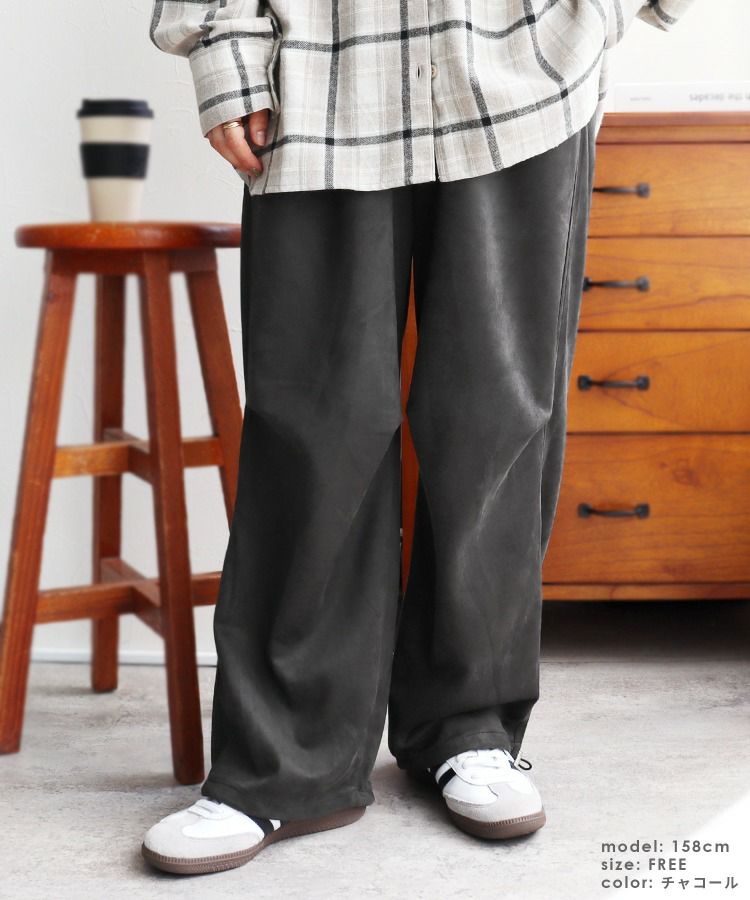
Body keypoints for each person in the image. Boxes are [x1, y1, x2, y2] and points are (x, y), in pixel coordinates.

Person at [142, 0, 696, 875]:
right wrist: (227, 55)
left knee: (497, 418)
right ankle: (281, 763)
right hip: (319, 74)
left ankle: (472, 727)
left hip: (524, 75)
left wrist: (593, 16)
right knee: (312, 427)